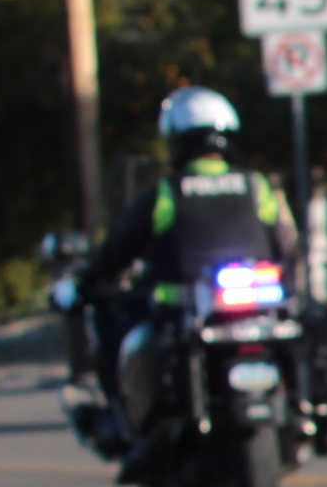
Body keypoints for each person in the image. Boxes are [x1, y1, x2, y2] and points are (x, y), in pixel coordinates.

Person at [78, 89, 301, 459]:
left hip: (183, 315)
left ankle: (127, 427)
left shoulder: (168, 191)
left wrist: (91, 280)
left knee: (114, 333)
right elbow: (286, 247)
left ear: (176, 140)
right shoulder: (257, 186)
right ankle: (300, 412)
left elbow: (118, 248)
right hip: (261, 309)